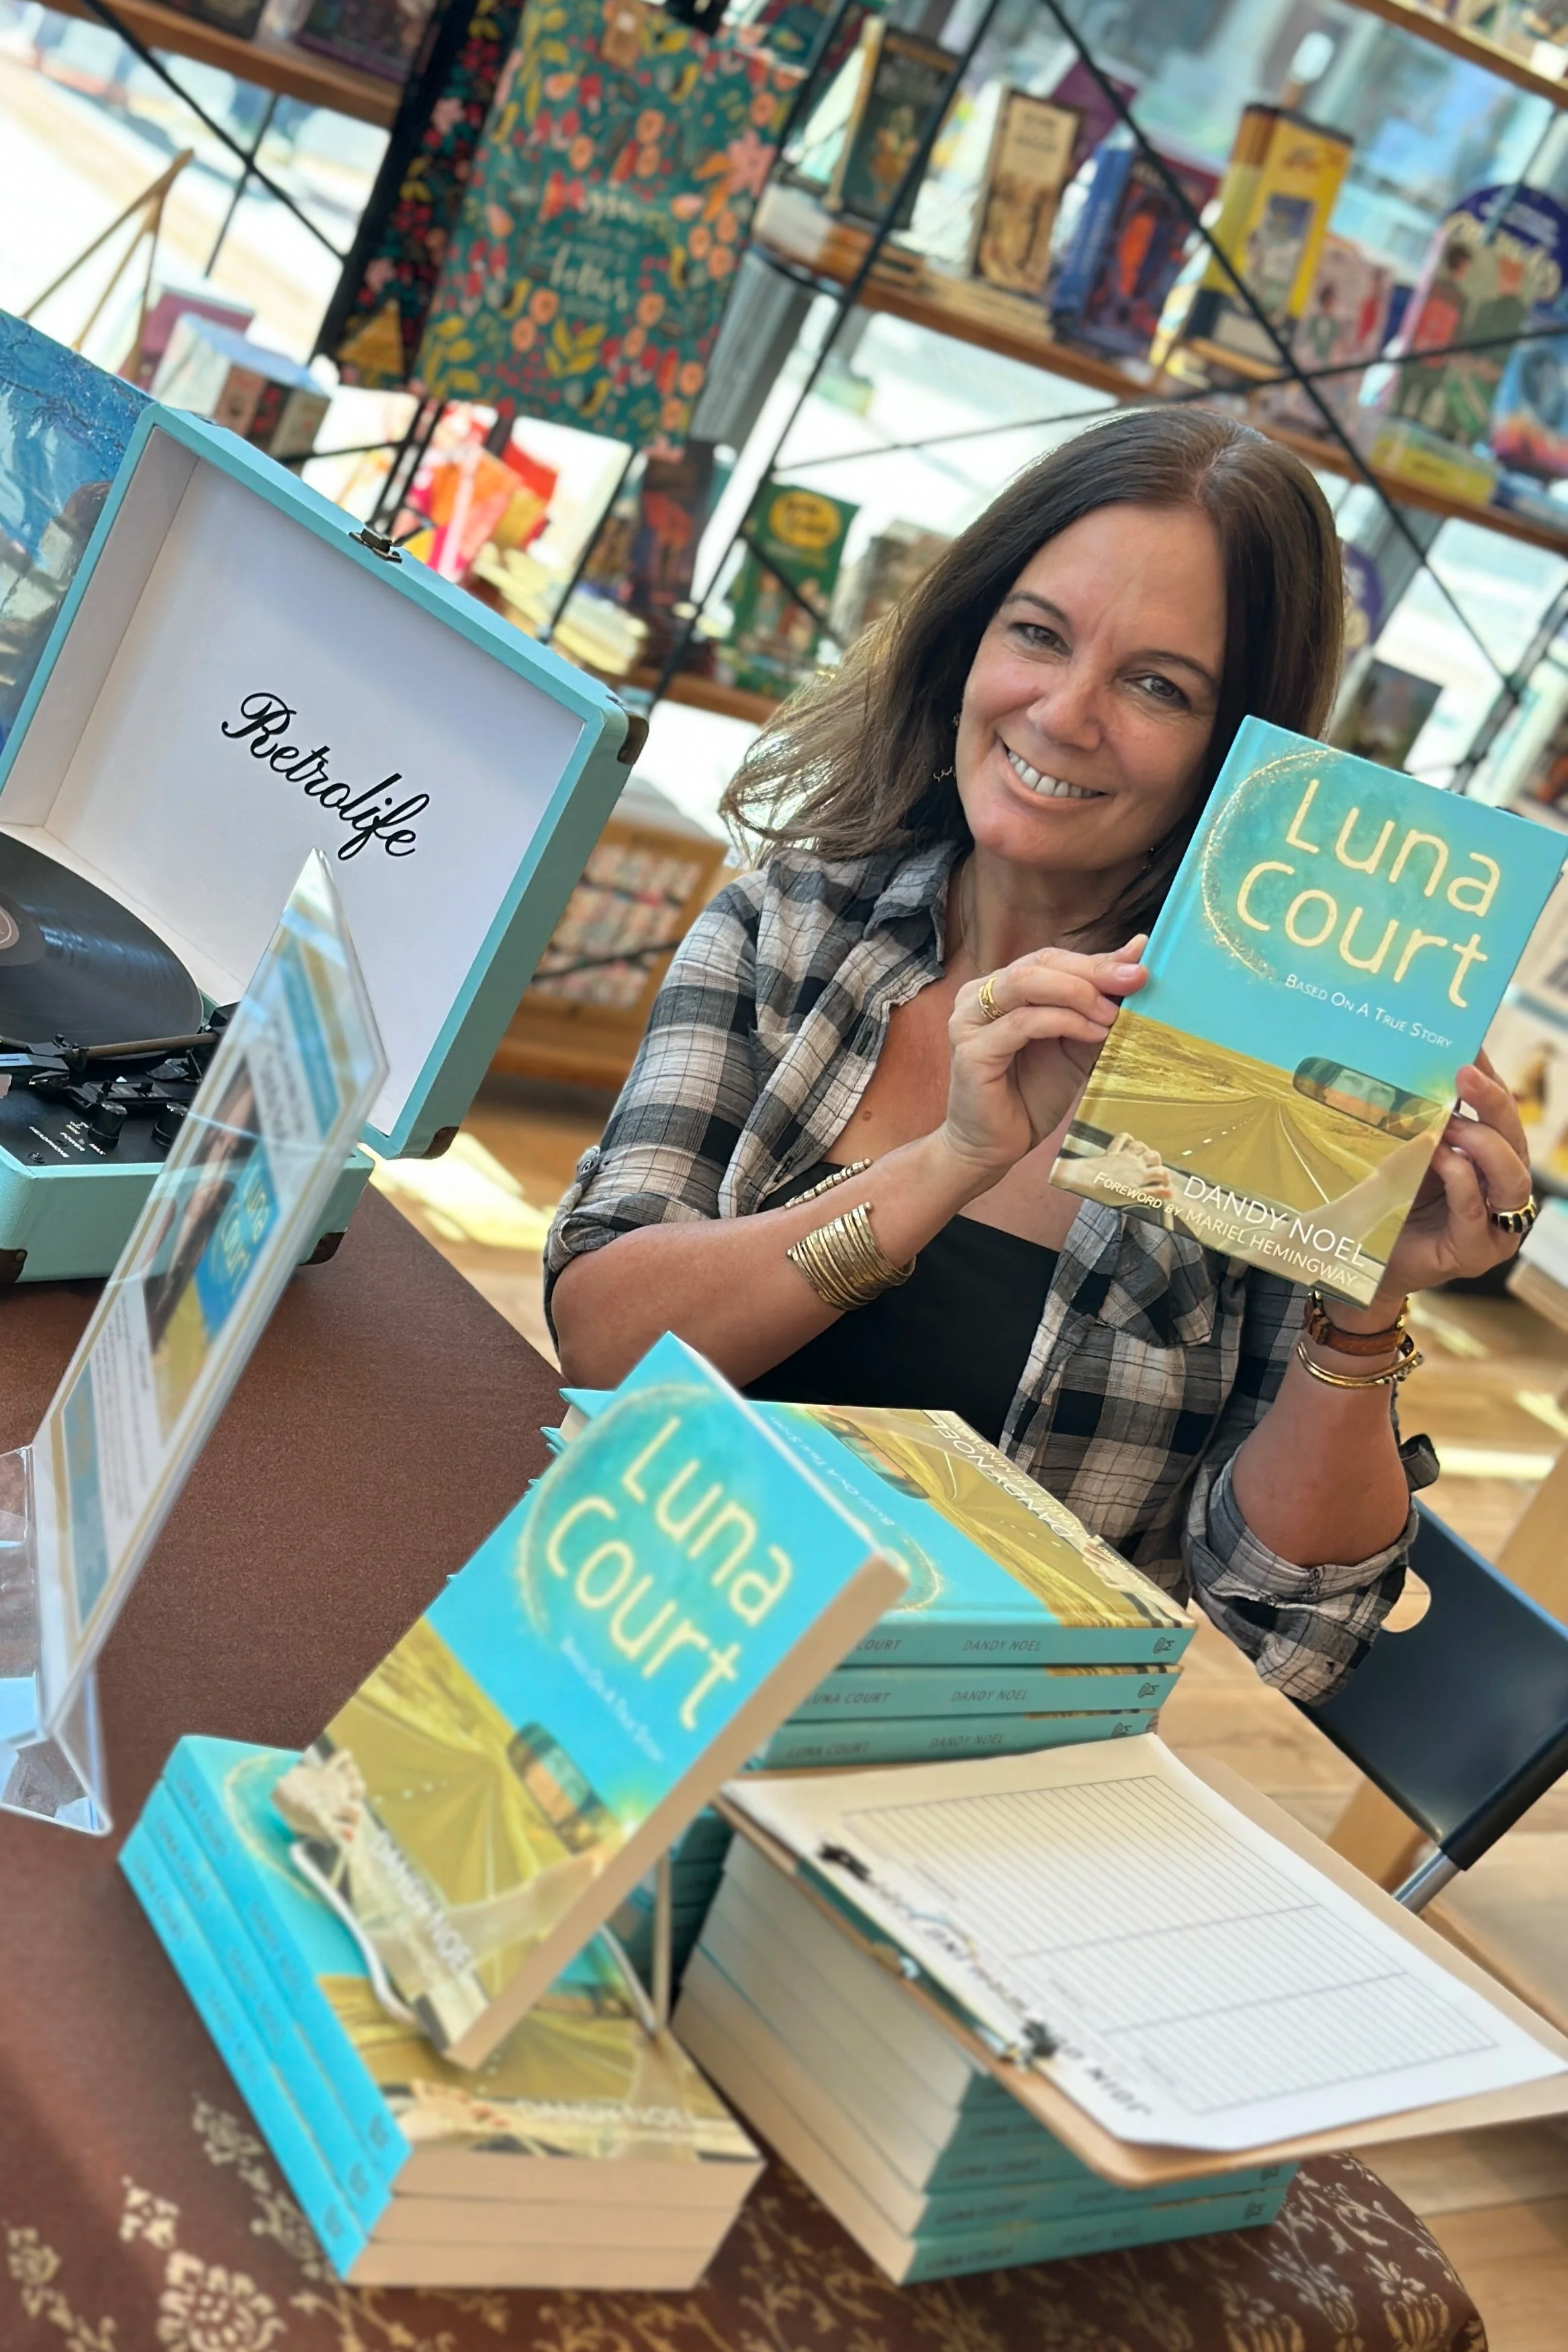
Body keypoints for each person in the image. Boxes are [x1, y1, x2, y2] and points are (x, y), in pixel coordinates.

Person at [546, 408, 1535, 1702]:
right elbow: (600, 1342)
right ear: (969, 630)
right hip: (634, 1628)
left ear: (1238, 759)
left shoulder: (1272, 1077)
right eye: (1038, 632)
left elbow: (1280, 1635)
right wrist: (946, 1162)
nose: (1062, 713)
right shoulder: (789, 932)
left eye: (1157, 686)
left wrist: (1360, 1305)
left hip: (978, 1743)